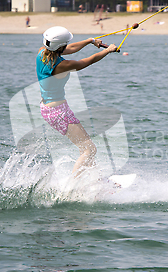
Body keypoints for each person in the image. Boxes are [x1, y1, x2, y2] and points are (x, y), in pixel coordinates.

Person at [37, 26, 117, 177]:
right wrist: (108, 50)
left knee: (84, 147)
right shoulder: (62, 65)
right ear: (60, 47)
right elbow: (87, 61)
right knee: (90, 149)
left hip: (53, 109)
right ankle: (71, 186)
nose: (67, 46)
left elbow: (71, 48)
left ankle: (93, 181)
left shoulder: (42, 52)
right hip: (58, 112)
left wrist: (90, 41)